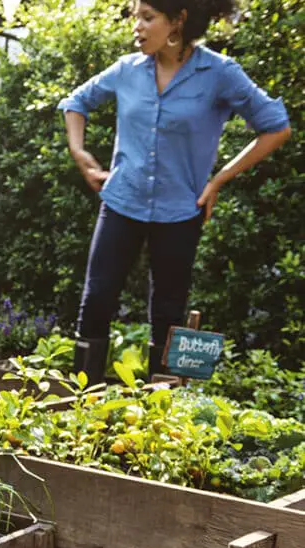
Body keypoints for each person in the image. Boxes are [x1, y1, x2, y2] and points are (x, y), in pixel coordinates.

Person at [59, 0, 291, 383]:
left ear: (178, 21)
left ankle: (160, 416)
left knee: (168, 312)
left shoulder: (218, 74)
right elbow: (76, 102)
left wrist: (219, 179)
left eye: (148, 18)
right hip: (121, 202)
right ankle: (82, 407)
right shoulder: (127, 70)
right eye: (136, 17)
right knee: (96, 300)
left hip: (181, 211)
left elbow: (276, 127)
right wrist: (78, 150)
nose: (138, 27)